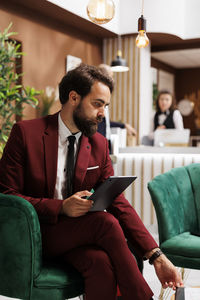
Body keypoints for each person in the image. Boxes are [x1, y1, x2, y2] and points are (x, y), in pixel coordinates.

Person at [0, 64, 183, 300]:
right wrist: (61, 206)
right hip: (34, 233)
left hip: (77, 235)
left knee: (101, 264)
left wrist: (157, 255)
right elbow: (7, 195)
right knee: (104, 222)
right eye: (97, 104)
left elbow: (119, 203)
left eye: (105, 105)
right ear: (73, 98)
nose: (103, 113)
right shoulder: (26, 133)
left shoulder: (98, 144)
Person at [97, 64, 137, 139]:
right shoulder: (97, 97)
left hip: (105, 140)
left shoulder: (105, 97)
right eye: (111, 76)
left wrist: (124, 125)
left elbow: (106, 123)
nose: (113, 80)